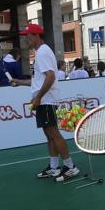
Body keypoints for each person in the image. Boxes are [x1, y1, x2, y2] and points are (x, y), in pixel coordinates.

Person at [10, 24, 79, 181]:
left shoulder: (43, 53)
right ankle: (54, 168)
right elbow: (38, 81)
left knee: (54, 134)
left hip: (47, 100)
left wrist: (39, 97)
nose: (26, 39)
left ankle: (70, 167)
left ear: (36, 35)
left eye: (27, 35)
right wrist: (18, 81)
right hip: (43, 101)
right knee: (49, 135)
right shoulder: (40, 53)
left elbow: (50, 77)